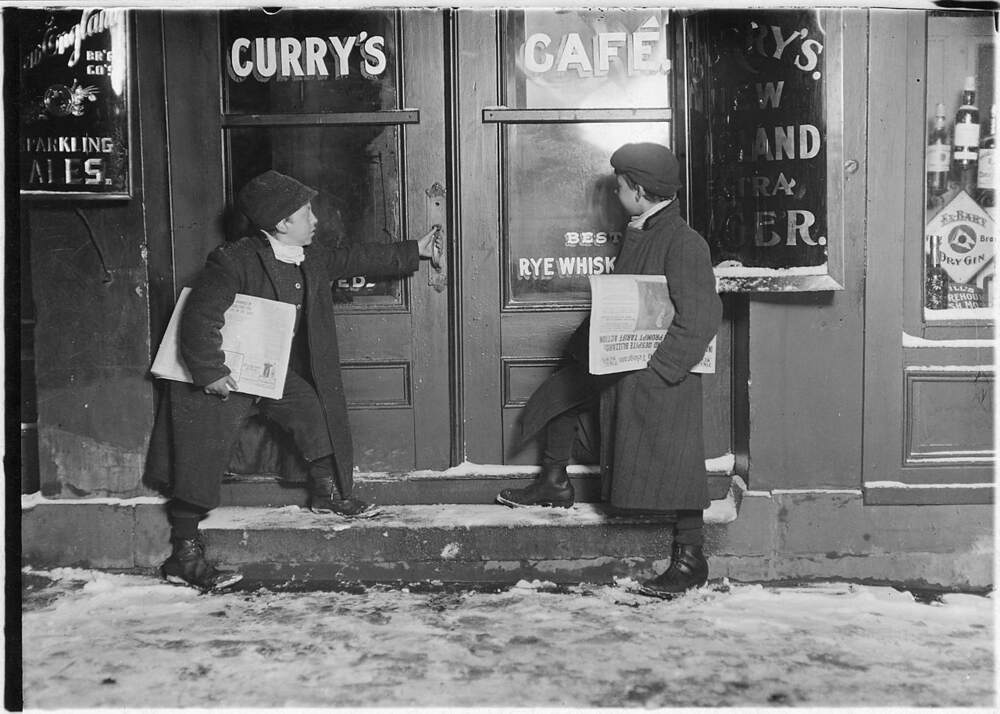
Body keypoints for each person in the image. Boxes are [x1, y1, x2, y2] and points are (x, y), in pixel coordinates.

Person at [148, 170, 441, 591]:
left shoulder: (310, 257)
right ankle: (184, 553)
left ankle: (326, 494)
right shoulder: (233, 259)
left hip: (267, 370)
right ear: (283, 222)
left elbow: (356, 257)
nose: (315, 218)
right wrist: (210, 372)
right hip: (220, 376)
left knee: (310, 409)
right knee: (201, 458)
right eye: (306, 211)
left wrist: (416, 250)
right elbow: (200, 317)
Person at [497, 143, 722, 598]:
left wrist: (661, 371)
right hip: (623, 364)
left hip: (659, 376)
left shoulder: (682, 242)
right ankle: (555, 481)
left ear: (639, 191)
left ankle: (691, 556)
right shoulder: (642, 229)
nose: (614, 194)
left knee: (676, 457)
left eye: (619, 187)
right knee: (559, 395)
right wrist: (587, 349)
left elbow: (700, 318)